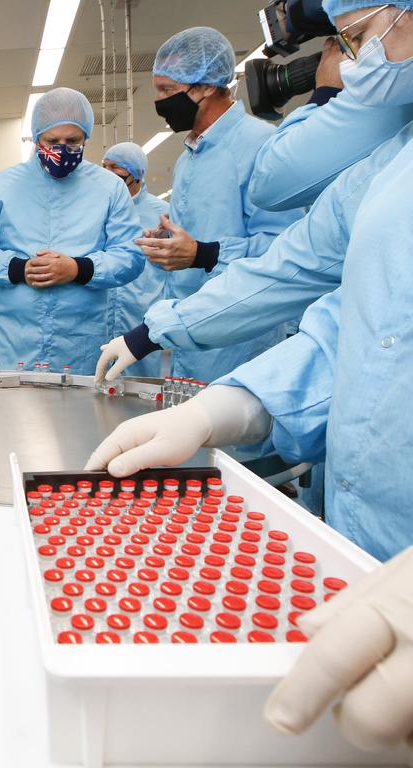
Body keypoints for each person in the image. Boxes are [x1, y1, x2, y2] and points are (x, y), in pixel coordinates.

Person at [89, 0, 413, 750]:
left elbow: (255, 259)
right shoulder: (392, 161)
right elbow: (353, 319)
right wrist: (231, 403)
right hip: (360, 532)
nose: (357, 61)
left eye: (361, 39)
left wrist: (199, 270)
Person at [98, 27, 302, 385]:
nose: (158, 101)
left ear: (206, 86)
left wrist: (203, 254)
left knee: (233, 438)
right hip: (189, 334)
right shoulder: (189, 156)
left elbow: (286, 250)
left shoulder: (261, 145)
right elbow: (198, 237)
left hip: (240, 340)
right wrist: (168, 241)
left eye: (165, 90)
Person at [0, 87, 144, 374]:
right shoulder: (4, 186)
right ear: (36, 137)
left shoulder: (109, 189)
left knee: (78, 417)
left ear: (86, 137)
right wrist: (18, 269)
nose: (61, 149)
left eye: (72, 141)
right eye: (51, 140)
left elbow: (131, 256)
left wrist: (78, 269)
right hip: (13, 343)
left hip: (79, 344)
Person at [249, 36, 413, 212]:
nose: (352, 52)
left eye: (358, 34)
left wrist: (326, 91)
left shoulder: (387, 98)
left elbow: (267, 183)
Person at [101, 142, 170, 378]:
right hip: (100, 313)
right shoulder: (98, 208)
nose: (108, 173)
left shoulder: (162, 213)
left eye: (116, 167)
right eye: (104, 166)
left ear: (136, 173)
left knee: (141, 385)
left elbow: (177, 267)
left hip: (140, 313)